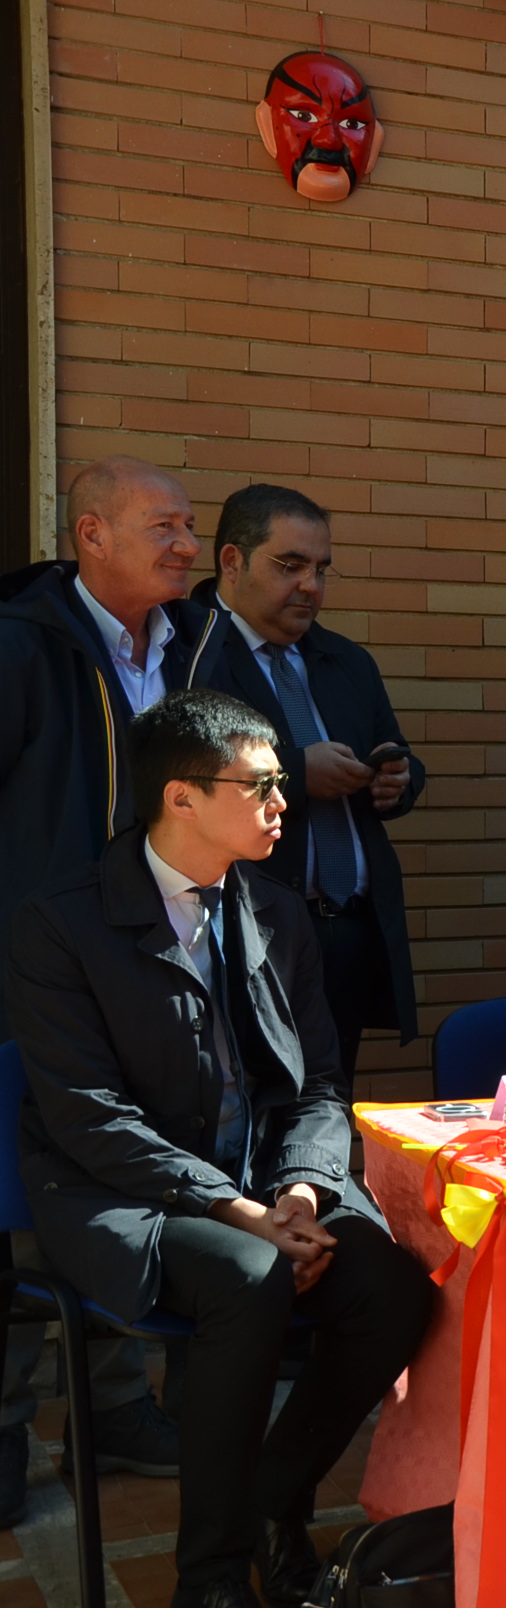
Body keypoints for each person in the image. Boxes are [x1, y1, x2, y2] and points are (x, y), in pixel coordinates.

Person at [6, 692, 433, 1608]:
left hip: (264, 1182)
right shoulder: (59, 924)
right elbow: (87, 1117)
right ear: (182, 798)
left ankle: (269, 1499)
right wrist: (234, 1210)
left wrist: (301, 1186)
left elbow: (320, 1082)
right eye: (264, 784)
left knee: (396, 1289)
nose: (286, 802)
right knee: (248, 1278)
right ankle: (209, 1580)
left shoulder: (278, 913)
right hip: (120, 1191)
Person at [0, 456, 220, 1524]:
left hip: (149, 967)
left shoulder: (196, 649)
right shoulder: (21, 645)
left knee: (120, 1186)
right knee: (17, 1211)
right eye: (163, 527)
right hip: (32, 974)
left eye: (189, 526)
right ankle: (3, 1439)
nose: (187, 544)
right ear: (91, 534)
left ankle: (121, 1410)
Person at [195, 485, 423, 1092]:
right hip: (245, 929)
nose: (309, 586)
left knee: (326, 1096)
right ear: (232, 562)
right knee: (243, 1100)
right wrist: (295, 771)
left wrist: (396, 778)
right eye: (289, 566)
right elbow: (182, 774)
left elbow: (396, 753)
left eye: (321, 569)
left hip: (348, 926)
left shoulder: (346, 661)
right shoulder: (186, 651)